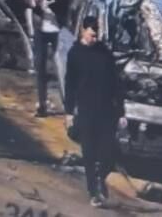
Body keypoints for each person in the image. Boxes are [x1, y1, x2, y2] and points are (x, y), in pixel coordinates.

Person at [65, 16, 125, 208]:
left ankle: (101, 178)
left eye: (97, 34)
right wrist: (68, 111)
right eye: (91, 34)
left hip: (107, 110)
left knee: (107, 152)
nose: (95, 38)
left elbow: (116, 83)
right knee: (89, 153)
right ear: (83, 31)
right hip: (86, 110)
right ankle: (94, 191)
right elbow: (70, 83)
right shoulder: (75, 53)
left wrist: (121, 111)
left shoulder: (104, 53)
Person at [17, 0, 67, 117]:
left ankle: (68, 104)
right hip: (41, 27)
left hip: (56, 27)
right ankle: (42, 105)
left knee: (61, 68)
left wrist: (53, 3)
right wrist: (32, 1)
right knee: (40, 68)